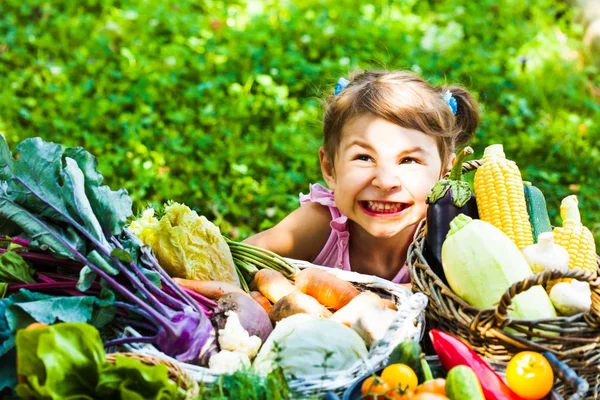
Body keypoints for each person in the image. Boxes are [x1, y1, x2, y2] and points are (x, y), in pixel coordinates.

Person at [244, 70, 479, 286]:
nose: (386, 182)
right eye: (364, 157)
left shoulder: (450, 236)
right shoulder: (318, 226)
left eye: (409, 160)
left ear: (445, 173)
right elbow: (237, 261)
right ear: (329, 168)